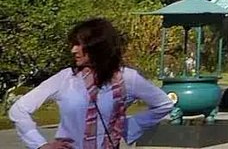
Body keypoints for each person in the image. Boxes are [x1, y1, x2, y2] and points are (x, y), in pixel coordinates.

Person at [8, 18, 174, 149]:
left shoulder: (127, 78)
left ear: (97, 47)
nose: (73, 50)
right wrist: (40, 144)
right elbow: (19, 109)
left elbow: (163, 104)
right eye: (73, 44)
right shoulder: (66, 78)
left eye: (79, 45)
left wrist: (129, 126)